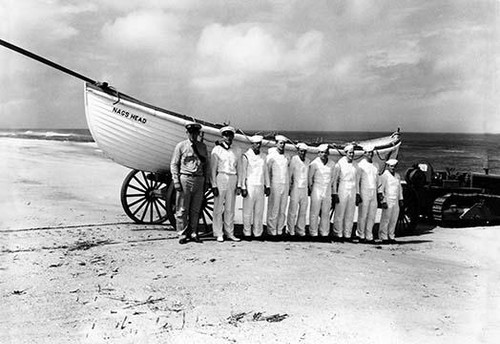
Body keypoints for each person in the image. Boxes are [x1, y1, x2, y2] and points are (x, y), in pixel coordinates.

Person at [170, 121, 210, 244]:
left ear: (198, 133)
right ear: (187, 133)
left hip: (199, 179)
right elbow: (174, 164)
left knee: (195, 209)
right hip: (185, 179)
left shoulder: (202, 147)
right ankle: (182, 234)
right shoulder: (181, 146)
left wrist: (206, 181)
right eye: (191, 133)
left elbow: (206, 166)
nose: (193, 135)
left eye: (196, 133)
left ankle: (193, 232)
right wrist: (176, 180)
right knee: (182, 209)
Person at [211, 126, 241, 242]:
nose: (228, 137)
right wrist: (214, 185)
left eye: (230, 135)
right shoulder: (217, 150)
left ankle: (230, 233)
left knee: (230, 207)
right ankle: (218, 232)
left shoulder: (237, 150)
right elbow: (213, 169)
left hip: (232, 178)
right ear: (222, 136)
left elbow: (240, 169)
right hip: (221, 177)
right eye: (226, 135)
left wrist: (239, 185)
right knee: (218, 207)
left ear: (233, 136)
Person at [240, 135, 269, 240]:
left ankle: (257, 233)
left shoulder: (263, 156)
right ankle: (247, 232)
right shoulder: (246, 156)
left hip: (260, 186)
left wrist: (268, 185)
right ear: (252, 144)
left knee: (259, 211)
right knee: (247, 211)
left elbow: (265, 172)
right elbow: (243, 172)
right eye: (256, 143)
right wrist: (243, 186)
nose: (258, 145)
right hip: (250, 186)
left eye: (259, 144)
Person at [332, 144, 361, 242]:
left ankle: (347, 234)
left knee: (350, 213)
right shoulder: (339, 164)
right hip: (343, 188)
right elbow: (335, 180)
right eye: (350, 153)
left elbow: (357, 181)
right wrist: (335, 193)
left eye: (353, 153)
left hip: (352, 190)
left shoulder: (356, 165)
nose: (351, 155)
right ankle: (338, 233)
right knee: (340, 212)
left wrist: (357, 193)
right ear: (346, 153)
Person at [308, 144, 336, 239]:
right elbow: (310, 178)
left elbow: (333, 179)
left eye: (325, 153)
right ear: (318, 153)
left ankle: (324, 233)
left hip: (327, 190)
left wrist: (332, 191)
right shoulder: (314, 164)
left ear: (328, 153)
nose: (324, 154)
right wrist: (312, 190)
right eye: (321, 152)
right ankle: (313, 233)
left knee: (325, 212)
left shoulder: (332, 164)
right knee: (314, 212)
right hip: (316, 189)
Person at [266, 135, 290, 238]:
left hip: (285, 184)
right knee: (274, 208)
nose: (282, 145)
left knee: (282, 208)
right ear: (276, 144)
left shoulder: (287, 157)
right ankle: (272, 231)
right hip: (275, 183)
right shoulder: (271, 156)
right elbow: (267, 172)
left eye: (283, 143)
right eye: (280, 143)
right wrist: (268, 185)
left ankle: (280, 230)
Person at [356, 145, 381, 244]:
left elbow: (378, 181)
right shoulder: (361, 165)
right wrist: (358, 193)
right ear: (364, 153)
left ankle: (369, 235)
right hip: (364, 191)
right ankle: (361, 235)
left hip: (373, 192)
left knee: (372, 215)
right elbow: (358, 181)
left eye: (371, 152)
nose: (370, 154)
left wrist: (379, 193)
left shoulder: (376, 165)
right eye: (368, 152)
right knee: (363, 215)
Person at [287, 143, 310, 238]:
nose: (302, 153)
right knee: (293, 210)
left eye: (304, 151)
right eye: (301, 151)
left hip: (304, 189)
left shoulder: (308, 161)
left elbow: (308, 176)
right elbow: (289, 175)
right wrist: (289, 187)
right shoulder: (294, 160)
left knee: (303, 211)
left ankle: (300, 230)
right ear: (298, 151)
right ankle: (290, 230)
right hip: (296, 188)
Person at [378, 159, 404, 244]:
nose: (393, 168)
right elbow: (381, 190)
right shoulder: (384, 176)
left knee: (394, 219)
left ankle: (391, 235)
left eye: (394, 166)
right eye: (391, 166)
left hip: (395, 200)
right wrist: (383, 201)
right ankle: (383, 236)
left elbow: (400, 188)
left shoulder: (397, 176)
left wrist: (401, 199)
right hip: (388, 199)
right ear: (388, 166)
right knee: (386, 219)